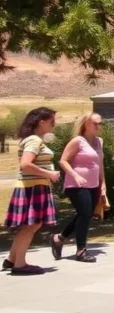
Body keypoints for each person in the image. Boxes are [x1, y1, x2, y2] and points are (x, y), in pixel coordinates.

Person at [3, 107, 60, 275]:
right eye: (52, 122)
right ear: (41, 122)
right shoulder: (34, 140)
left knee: (30, 225)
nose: (53, 125)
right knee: (31, 225)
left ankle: (12, 259)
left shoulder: (32, 139)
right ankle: (20, 264)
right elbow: (25, 164)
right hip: (32, 188)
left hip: (33, 187)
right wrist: (49, 174)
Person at [52, 113, 107, 262]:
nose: (98, 126)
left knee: (86, 214)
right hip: (76, 184)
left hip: (94, 184)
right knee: (84, 213)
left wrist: (103, 186)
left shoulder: (99, 142)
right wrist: (75, 175)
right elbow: (63, 161)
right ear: (86, 124)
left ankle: (59, 238)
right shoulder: (77, 141)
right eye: (95, 123)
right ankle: (81, 251)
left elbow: (100, 165)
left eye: (100, 123)